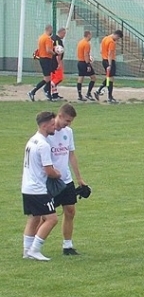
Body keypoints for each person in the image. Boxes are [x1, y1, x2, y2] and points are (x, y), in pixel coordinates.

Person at [46, 103, 90, 256]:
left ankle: (67, 246)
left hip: (66, 180)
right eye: (67, 121)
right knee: (42, 215)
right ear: (60, 116)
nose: (68, 124)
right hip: (51, 181)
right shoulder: (46, 134)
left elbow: (71, 155)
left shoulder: (68, 132)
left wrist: (79, 178)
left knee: (70, 211)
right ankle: (31, 244)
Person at [22, 111, 62, 261]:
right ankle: (35, 249)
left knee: (34, 218)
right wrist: (57, 174)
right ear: (44, 125)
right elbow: (48, 170)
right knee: (52, 219)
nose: (55, 127)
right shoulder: (43, 144)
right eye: (52, 124)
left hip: (27, 187)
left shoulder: (32, 140)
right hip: (38, 188)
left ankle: (26, 251)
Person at [28, 25, 57, 102]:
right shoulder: (47, 38)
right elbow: (48, 50)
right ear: (49, 29)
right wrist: (55, 53)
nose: (52, 32)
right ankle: (33, 91)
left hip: (43, 58)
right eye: (51, 30)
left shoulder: (41, 37)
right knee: (47, 78)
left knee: (49, 77)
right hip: (46, 59)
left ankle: (49, 94)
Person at [95, 30, 123, 103]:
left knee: (109, 78)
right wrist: (110, 64)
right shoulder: (111, 42)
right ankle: (109, 97)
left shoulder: (105, 38)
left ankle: (99, 90)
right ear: (117, 35)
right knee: (110, 79)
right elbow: (110, 54)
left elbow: (101, 50)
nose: (117, 40)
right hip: (109, 61)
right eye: (118, 38)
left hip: (104, 60)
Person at [75, 31, 97, 101]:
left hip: (80, 62)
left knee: (80, 78)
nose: (91, 37)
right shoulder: (86, 44)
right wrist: (88, 64)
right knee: (93, 78)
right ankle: (88, 93)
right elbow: (86, 54)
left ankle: (79, 95)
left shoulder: (80, 42)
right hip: (84, 63)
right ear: (88, 35)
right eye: (91, 35)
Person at [49, 27, 67, 100]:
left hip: (51, 61)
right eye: (64, 33)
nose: (64, 35)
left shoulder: (52, 38)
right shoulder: (58, 40)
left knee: (53, 77)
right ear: (61, 33)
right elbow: (58, 52)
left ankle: (54, 94)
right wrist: (59, 63)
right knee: (59, 77)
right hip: (55, 61)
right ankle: (49, 86)